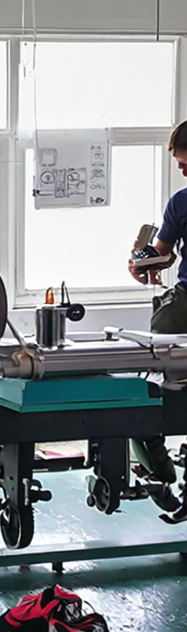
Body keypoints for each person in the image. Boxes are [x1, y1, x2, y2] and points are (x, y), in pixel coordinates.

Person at [128, 119, 187, 520]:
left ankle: (159, 471)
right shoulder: (181, 204)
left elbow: (161, 255)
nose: (182, 171)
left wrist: (143, 263)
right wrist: (147, 262)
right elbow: (163, 255)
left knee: (146, 382)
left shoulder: (182, 202)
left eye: (186, 164)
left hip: (184, 306)